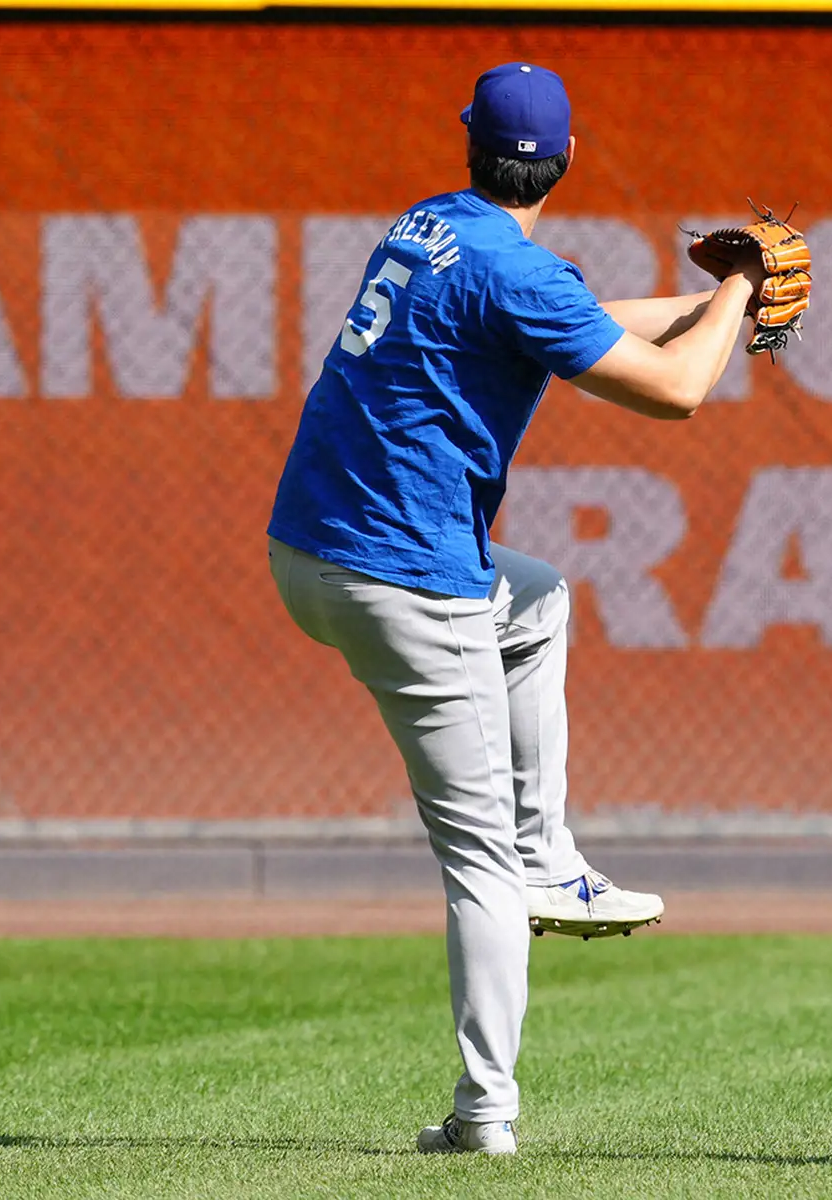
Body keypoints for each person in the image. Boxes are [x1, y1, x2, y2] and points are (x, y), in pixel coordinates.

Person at [267, 61, 765, 1156]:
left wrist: (704, 305)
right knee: (476, 860)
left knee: (535, 600)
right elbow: (678, 391)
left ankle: (552, 858)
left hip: (302, 552)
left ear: (468, 146)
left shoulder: (427, 227)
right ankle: (485, 1110)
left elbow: (570, 321)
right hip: (403, 579)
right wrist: (739, 286)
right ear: (569, 159)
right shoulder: (516, 274)